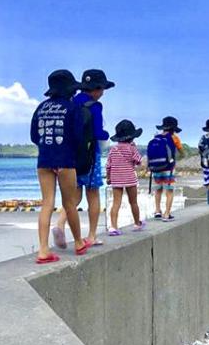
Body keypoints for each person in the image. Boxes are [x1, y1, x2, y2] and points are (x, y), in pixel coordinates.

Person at [30, 70, 89, 264]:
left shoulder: (40, 108)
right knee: (69, 203)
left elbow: (34, 136)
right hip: (65, 160)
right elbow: (79, 138)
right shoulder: (73, 109)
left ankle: (43, 250)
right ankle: (79, 243)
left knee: (47, 203)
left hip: (44, 160)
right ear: (70, 90)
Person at [52, 69, 114, 249]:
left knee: (74, 195)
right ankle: (92, 236)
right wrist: (106, 134)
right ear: (96, 89)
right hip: (90, 156)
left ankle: (60, 224)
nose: (102, 93)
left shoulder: (72, 102)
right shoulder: (95, 106)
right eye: (102, 89)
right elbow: (97, 132)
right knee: (93, 193)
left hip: (72, 156)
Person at [105, 120, 144, 235]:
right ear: (132, 136)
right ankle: (137, 223)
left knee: (116, 203)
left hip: (116, 179)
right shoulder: (131, 148)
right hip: (130, 179)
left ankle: (113, 227)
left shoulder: (113, 149)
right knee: (133, 202)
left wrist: (108, 178)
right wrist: (134, 149)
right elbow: (138, 161)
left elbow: (108, 165)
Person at [150, 116, 184, 222]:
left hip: (156, 168)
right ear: (173, 128)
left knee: (158, 189)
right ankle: (167, 214)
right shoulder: (174, 138)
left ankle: (157, 211)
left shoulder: (157, 137)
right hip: (168, 168)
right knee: (169, 190)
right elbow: (182, 152)